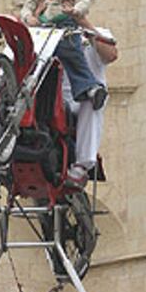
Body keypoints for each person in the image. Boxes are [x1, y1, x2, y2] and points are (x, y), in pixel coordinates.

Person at [21, 0, 107, 111]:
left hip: (65, 25)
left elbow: (84, 1)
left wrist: (75, 11)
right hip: (44, 27)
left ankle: (90, 88)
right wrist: (29, 17)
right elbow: (27, 6)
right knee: (24, 53)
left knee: (72, 55)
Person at [63, 24, 118, 189]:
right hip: (56, 101)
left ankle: (82, 165)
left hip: (82, 100)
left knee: (92, 100)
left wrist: (83, 22)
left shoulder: (94, 31)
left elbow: (111, 55)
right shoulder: (48, 32)